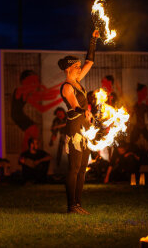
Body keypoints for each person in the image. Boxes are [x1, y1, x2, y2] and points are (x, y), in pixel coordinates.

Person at [58, 29, 99, 215]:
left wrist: (93, 40)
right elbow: (74, 107)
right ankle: (71, 205)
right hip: (75, 128)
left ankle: (78, 204)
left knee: (83, 168)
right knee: (74, 168)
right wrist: (87, 112)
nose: (80, 68)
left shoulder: (78, 82)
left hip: (85, 127)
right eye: (76, 66)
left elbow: (90, 61)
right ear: (69, 69)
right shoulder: (67, 86)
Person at [11, 70, 63, 151]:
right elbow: (43, 94)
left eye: (35, 81)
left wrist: (61, 98)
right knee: (33, 129)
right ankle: (26, 153)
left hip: (18, 115)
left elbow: (42, 108)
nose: (35, 83)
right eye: (33, 81)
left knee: (32, 132)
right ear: (24, 81)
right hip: (17, 115)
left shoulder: (28, 93)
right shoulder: (20, 90)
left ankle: (26, 153)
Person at [130, 84, 148, 154]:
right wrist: (127, 112)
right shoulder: (135, 106)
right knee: (131, 141)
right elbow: (130, 117)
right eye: (140, 92)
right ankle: (129, 155)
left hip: (143, 127)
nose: (141, 94)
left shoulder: (145, 106)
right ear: (138, 93)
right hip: (137, 127)